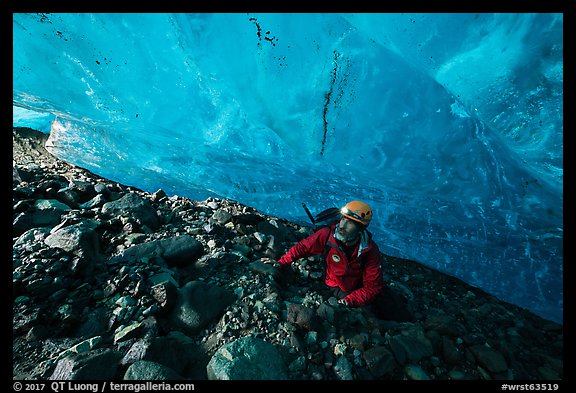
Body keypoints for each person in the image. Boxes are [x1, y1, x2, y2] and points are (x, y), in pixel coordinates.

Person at [262, 200, 385, 308]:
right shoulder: (327, 235)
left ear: (360, 229)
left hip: (355, 287)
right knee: (370, 309)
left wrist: (350, 301)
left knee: (386, 301)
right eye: (343, 219)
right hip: (336, 285)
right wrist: (281, 262)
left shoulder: (369, 250)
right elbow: (303, 247)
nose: (343, 225)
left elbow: (373, 286)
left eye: (350, 222)